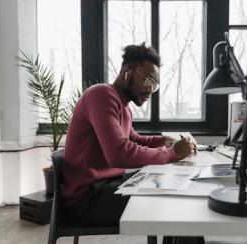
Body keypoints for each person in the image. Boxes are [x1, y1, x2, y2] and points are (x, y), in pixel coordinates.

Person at [62, 43, 196, 226]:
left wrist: (164, 141)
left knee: (175, 185)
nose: (150, 89)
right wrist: (171, 153)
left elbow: (134, 139)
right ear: (128, 71)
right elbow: (119, 153)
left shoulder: (123, 107)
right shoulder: (101, 95)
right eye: (148, 80)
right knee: (177, 200)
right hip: (87, 198)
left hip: (109, 185)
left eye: (154, 85)